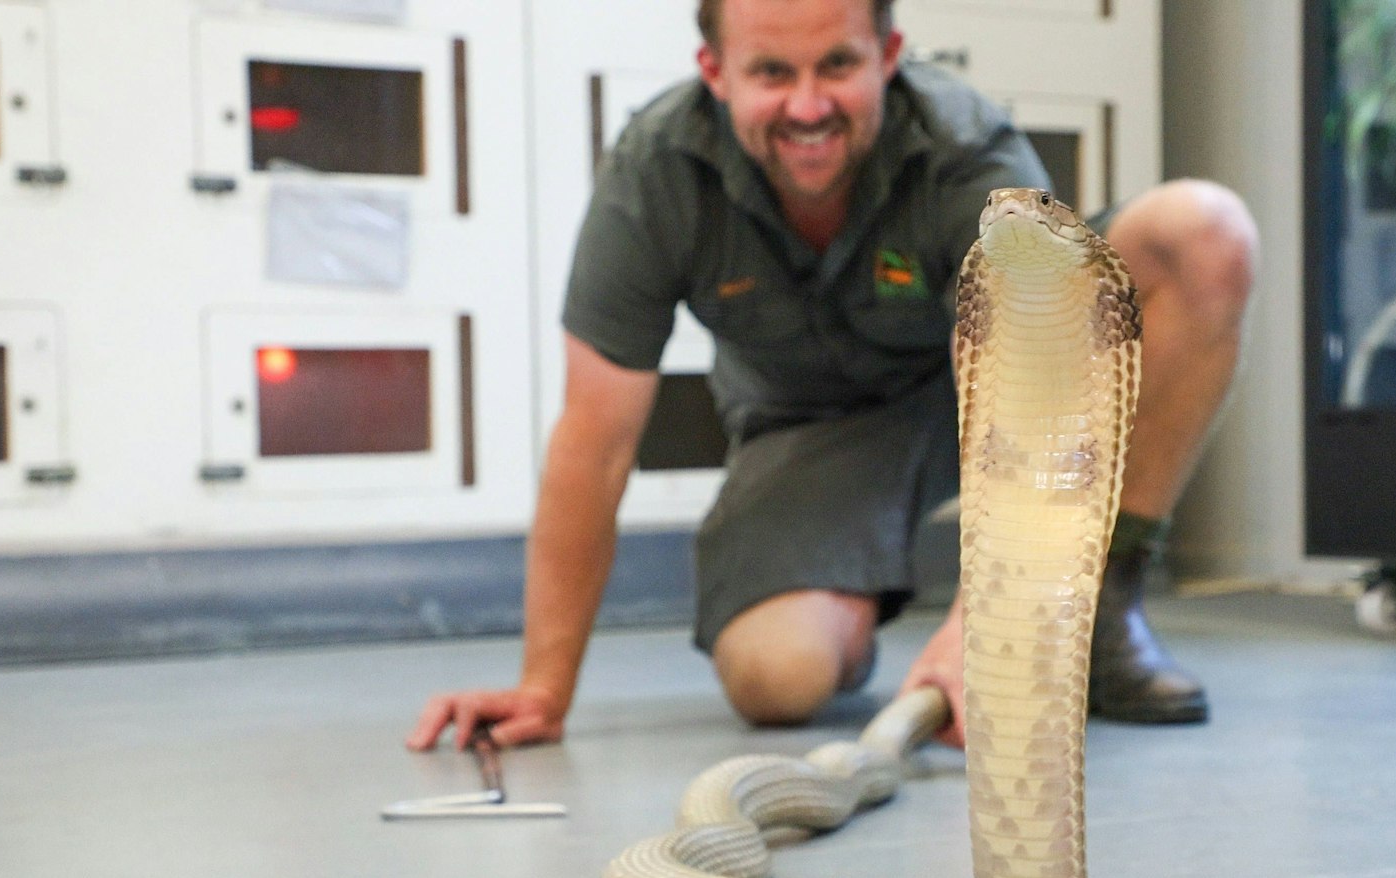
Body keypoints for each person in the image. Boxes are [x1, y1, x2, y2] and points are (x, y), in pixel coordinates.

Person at [406, 0, 1256, 753]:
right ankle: (853, 601)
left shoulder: (964, 148)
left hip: (991, 394)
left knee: (1202, 234)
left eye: (839, 66)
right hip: (813, 432)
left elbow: (1043, 380)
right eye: (772, 72)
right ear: (715, 73)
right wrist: (544, 689)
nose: (808, 107)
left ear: (888, 54)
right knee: (777, 679)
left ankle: (1098, 599)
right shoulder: (656, 173)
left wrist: (985, 627)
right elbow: (593, 440)